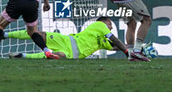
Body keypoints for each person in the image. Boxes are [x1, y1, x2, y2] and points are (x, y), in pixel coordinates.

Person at [8, 17, 149, 61]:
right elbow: (117, 42)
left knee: (57, 56)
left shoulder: (104, 42)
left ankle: (22, 55)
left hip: (74, 53)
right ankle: (5, 35)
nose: (111, 28)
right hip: (69, 41)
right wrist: (127, 53)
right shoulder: (99, 25)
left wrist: (138, 49)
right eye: (110, 25)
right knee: (39, 34)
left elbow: (119, 45)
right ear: (104, 22)